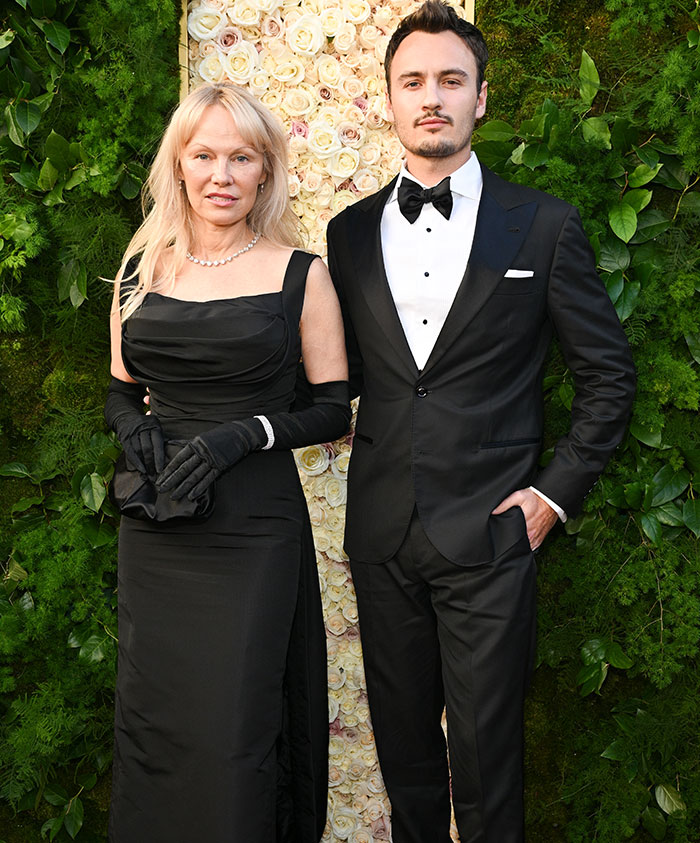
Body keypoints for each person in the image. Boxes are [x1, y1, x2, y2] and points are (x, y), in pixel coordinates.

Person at [326, 3, 636, 842]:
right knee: (405, 761)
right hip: (383, 536)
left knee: (489, 759)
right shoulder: (347, 234)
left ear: (481, 99)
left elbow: (608, 377)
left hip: (494, 535)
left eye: (451, 81)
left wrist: (550, 497)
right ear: (389, 100)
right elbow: (339, 379)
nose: (433, 97)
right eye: (414, 81)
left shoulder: (544, 223)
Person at [105, 82, 349, 842]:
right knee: (158, 717)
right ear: (178, 165)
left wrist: (244, 434)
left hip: (252, 532)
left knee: (237, 717)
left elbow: (332, 409)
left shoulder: (300, 274)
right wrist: (129, 430)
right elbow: (119, 391)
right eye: (204, 154)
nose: (221, 173)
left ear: (265, 171)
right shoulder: (139, 271)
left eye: (241, 157)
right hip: (158, 528)